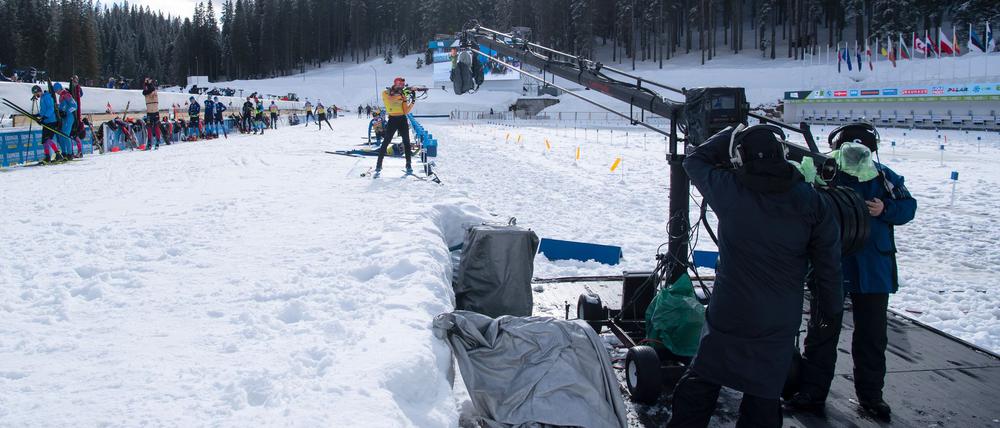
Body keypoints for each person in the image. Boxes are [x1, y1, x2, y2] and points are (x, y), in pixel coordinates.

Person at [666, 125, 843, 428]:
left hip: (730, 313)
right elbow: (829, 268)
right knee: (763, 396)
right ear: (783, 154)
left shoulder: (729, 189)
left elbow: (694, 161)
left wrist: (729, 130)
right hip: (778, 318)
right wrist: (830, 311)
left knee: (701, 385)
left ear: (739, 158)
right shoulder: (813, 202)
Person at [788, 123, 917, 421]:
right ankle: (812, 391)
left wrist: (885, 208)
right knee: (822, 332)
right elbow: (798, 197)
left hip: (872, 270)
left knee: (872, 337)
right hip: (832, 265)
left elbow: (908, 207)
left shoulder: (884, 176)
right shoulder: (824, 170)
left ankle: (871, 397)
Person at [374, 77, 416, 178]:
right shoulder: (386, 92)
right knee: (386, 142)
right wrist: (402, 95)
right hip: (392, 119)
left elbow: (406, 111)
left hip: (402, 119)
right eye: (399, 84)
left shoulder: (402, 95)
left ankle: (408, 164)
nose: (401, 86)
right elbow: (389, 98)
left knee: (406, 142)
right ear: (395, 84)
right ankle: (378, 165)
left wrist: (412, 100)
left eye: (402, 85)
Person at [33, 85, 64, 162]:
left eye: (36, 93)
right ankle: (47, 156)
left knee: (47, 139)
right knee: (44, 140)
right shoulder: (42, 98)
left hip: (51, 121)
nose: (36, 96)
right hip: (46, 121)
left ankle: (58, 154)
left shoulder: (47, 97)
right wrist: (38, 115)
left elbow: (51, 108)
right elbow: (44, 110)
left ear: (39, 91)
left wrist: (44, 117)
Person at [55, 83, 78, 157]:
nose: (56, 92)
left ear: (59, 88)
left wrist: (66, 112)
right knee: (61, 135)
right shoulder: (61, 95)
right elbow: (63, 106)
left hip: (69, 117)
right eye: (55, 91)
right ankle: (64, 152)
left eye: (56, 90)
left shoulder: (66, 94)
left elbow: (74, 105)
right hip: (64, 118)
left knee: (65, 135)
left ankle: (70, 153)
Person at [142, 77, 163, 150]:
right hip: (149, 112)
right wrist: (146, 83)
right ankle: (150, 142)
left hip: (154, 111)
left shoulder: (153, 91)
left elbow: (151, 90)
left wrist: (149, 83)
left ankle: (157, 141)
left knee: (156, 126)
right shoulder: (146, 92)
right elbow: (145, 91)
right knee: (149, 128)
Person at [68, 75, 84, 157]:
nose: (75, 82)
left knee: (75, 134)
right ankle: (74, 151)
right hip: (73, 114)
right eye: (74, 81)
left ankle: (80, 151)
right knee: (71, 134)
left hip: (76, 114)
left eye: (76, 81)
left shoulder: (78, 89)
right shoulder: (73, 88)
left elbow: (80, 94)